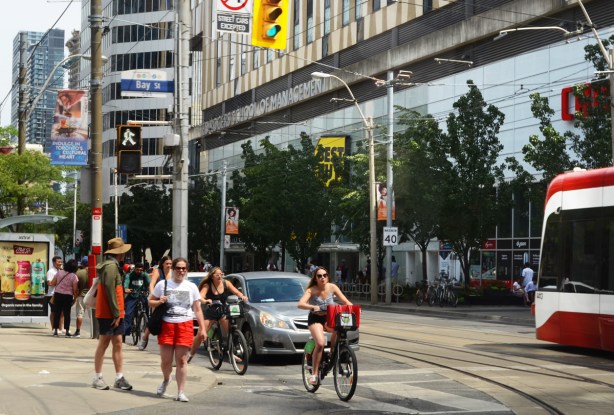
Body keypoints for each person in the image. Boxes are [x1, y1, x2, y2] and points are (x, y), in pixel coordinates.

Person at [149, 257, 206, 402]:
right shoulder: (163, 284)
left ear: (186, 270)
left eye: (183, 268)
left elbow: (197, 309)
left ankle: (181, 392)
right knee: (166, 361)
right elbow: (150, 301)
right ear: (173, 269)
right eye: (178, 268)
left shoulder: (191, 287)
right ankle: (166, 379)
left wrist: (202, 329)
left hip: (185, 324)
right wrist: (159, 301)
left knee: (181, 361)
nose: (181, 271)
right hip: (166, 324)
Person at [297, 266, 353, 386]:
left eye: (325, 275)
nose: (322, 278)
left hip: (329, 318)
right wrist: (312, 307)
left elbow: (345, 301)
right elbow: (300, 304)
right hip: (315, 318)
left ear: (328, 277)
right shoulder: (311, 290)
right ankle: (315, 374)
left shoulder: (332, 287)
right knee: (321, 343)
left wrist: (353, 308)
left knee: (339, 331)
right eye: (319, 276)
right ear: (315, 278)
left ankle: (333, 353)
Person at [92, 237, 133, 391]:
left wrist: (117, 312)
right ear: (120, 253)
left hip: (114, 312)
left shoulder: (111, 266)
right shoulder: (110, 267)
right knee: (104, 343)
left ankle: (118, 377)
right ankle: (98, 377)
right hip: (110, 313)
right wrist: (116, 313)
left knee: (117, 343)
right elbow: (110, 291)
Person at [188, 266, 248, 363]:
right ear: (212, 276)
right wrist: (206, 300)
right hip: (211, 312)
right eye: (217, 275)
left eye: (221, 274)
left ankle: (231, 352)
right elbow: (201, 297)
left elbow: (236, 292)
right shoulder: (207, 285)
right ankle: (191, 354)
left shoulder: (226, 283)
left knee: (230, 331)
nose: (220, 276)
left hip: (222, 311)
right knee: (200, 334)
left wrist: (242, 296)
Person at [138, 256, 173, 351]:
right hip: (158, 297)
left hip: (170, 299)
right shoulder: (158, 271)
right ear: (162, 264)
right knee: (155, 319)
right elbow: (152, 284)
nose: (169, 265)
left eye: (170, 264)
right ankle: (145, 337)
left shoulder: (172, 273)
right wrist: (154, 295)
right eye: (167, 264)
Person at [50, 259, 79, 337]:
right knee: (67, 314)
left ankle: (55, 330)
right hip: (68, 296)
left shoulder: (59, 273)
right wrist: (75, 299)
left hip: (58, 294)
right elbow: (75, 289)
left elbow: (53, 282)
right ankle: (66, 331)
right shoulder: (74, 276)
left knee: (57, 312)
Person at [123, 263, 151, 338]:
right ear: (135, 269)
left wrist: (151, 289)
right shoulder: (130, 275)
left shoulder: (144, 275)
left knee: (147, 306)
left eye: (141, 270)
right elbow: (126, 282)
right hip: (132, 296)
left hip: (141, 295)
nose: (139, 271)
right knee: (128, 313)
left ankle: (147, 323)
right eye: (137, 269)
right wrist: (126, 289)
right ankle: (126, 330)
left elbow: (150, 283)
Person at [46, 256, 64, 334]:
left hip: (60, 294)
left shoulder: (61, 270)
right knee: (54, 312)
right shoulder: (51, 271)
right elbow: (49, 283)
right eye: (58, 262)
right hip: (52, 294)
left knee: (61, 312)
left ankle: (61, 328)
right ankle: (53, 328)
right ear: (54, 262)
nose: (60, 263)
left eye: (61, 262)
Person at [74, 256, 90, 338]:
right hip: (92, 296)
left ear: (82, 264)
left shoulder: (78, 273)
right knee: (94, 315)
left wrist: (75, 297)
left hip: (81, 296)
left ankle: (78, 331)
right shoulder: (94, 272)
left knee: (80, 314)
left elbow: (76, 287)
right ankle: (96, 332)